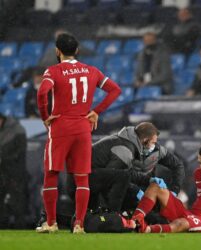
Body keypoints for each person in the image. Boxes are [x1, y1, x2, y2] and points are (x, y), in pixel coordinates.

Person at [36, 33, 122, 234]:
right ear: (76, 50)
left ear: (57, 51)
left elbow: (42, 93)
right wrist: (95, 112)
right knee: (82, 178)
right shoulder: (91, 70)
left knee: (51, 174)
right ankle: (79, 224)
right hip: (83, 128)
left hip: (60, 126)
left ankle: (51, 223)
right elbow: (115, 90)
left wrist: (44, 116)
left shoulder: (53, 71)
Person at [75, 122, 185, 213]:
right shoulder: (124, 150)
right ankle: (112, 215)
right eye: (153, 142)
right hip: (83, 181)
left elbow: (178, 165)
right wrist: (137, 190)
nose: (155, 145)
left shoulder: (156, 151)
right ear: (144, 140)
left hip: (109, 182)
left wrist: (174, 191)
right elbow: (113, 180)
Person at [0, 113, 28, 228]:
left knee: (17, 200)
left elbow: (19, 153)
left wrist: (3, 159)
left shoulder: (17, 130)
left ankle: (20, 225)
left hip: (16, 172)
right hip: (3, 172)